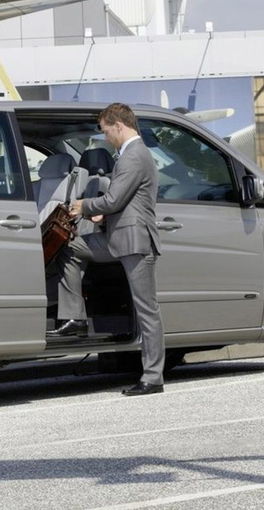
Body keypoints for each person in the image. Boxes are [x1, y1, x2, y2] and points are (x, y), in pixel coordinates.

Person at [46, 103, 165, 396]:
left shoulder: (134, 156)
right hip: (117, 238)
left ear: (118, 126)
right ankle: (75, 317)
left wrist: (84, 207)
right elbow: (123, 202)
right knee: (70, 246)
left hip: (135, 241)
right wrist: (103, 215)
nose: (105, 137)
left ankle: (153, 377)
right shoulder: (131, 156)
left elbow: (113, 199)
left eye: (105, 131)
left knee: (147, 310)